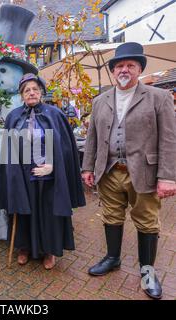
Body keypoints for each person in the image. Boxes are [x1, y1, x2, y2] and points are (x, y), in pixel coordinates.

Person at [82, 42, 176, 299]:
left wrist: (167, 176)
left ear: (139, 69)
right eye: (120, 65)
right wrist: (87, 167)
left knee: (146, 220)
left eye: (130, 65)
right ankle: (112, 258)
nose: (124, 69)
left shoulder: (159, 97)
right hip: (110, 171)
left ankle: (147, 272)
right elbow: (92, 137)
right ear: (113, 70)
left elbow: (169, 139)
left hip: (144, 172)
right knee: (111, 216)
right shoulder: (100, 101)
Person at [0, 73, 86, 269]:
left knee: (48, 213)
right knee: (23, 211)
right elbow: (8, 149)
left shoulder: (55, 114)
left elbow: (66, 147)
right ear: (21, 95)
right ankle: (24, 248)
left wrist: (52, 166)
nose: (31, 93)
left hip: (49, 177)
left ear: (42, 92)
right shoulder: (13, 117)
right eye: (27, 90)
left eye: (35, 89)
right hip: (22, 177)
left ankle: (50, 251)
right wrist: (14, 172)